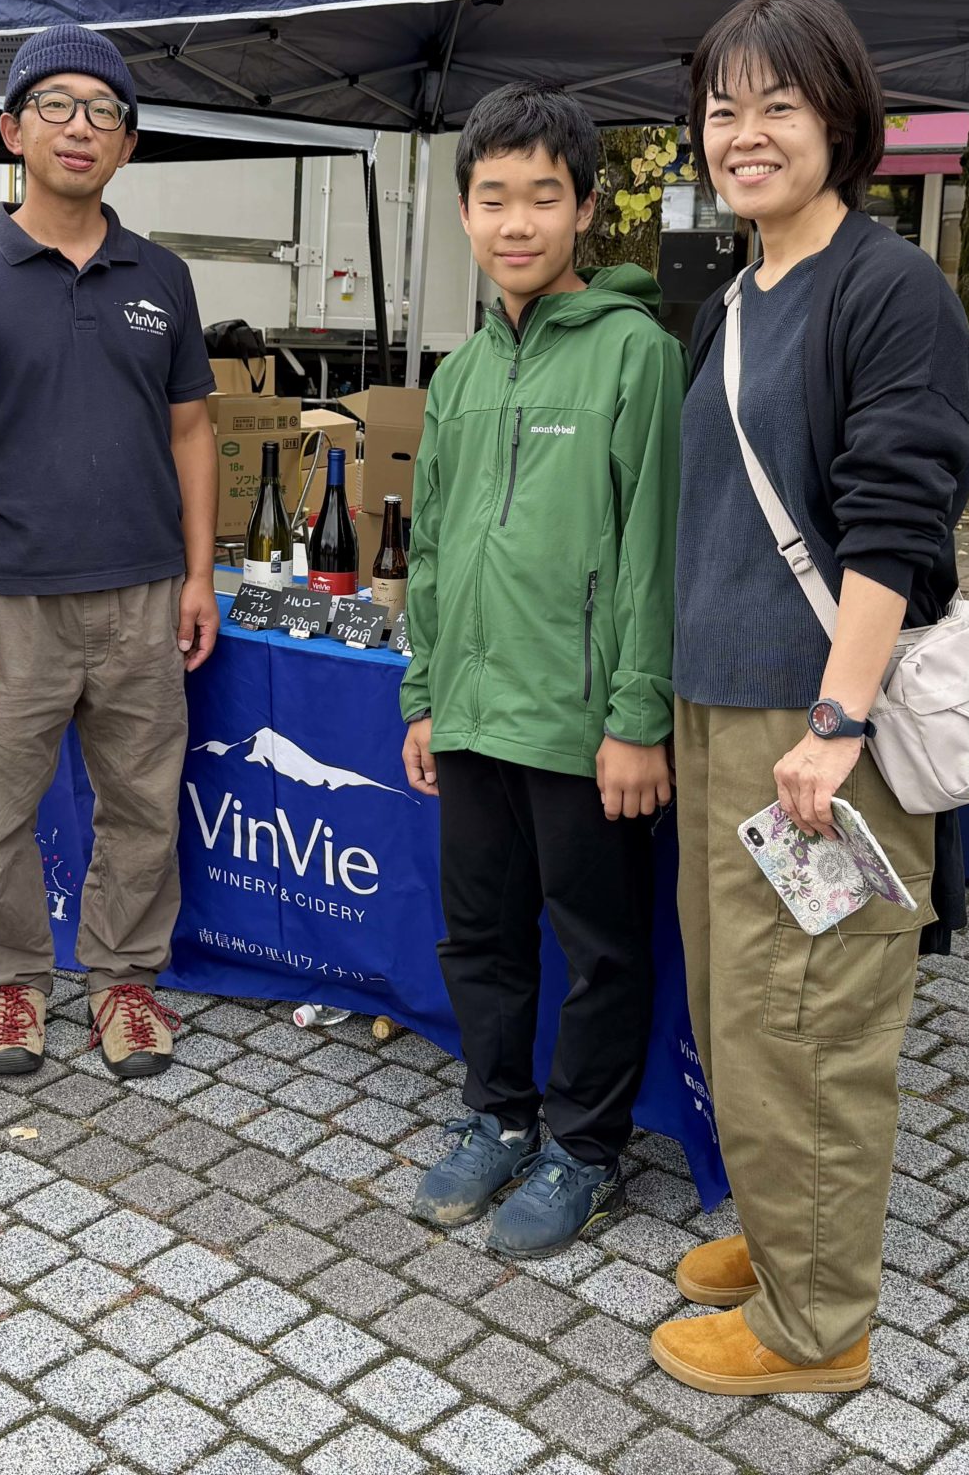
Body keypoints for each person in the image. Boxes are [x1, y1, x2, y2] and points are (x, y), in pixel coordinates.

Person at [648, 0, 969, 1397]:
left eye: (777, 106)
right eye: (723, 109)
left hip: (815, 729)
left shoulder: (885, 289)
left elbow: (898, 520)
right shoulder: (738, 297)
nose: (745, 134)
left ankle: (818, 1324)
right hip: (721, 712)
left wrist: (837, 723)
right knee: (741, 1010)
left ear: (841, 121)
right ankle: (788, 1237)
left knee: (815, 1022)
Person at [0, 25, 219, 1081]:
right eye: (56, 105)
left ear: (127, 145)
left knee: (142, 803)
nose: (80, 128)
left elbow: (192, 432)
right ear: (13, 131)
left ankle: (124, 982)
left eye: (103, 113)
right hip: (9, 600)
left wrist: (199, 575)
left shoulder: (163, 278)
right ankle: (7, 985)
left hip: (143, 595)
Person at [397, 85, 683, 1258]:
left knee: (600, 947)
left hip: (581, 724)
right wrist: (422, 694)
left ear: (584, 211)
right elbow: (428, 545)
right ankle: (499, 1116)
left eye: (542, 197)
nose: (516, 222)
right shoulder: (460, 373)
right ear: (465, 212)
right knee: (479, 936)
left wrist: (637, 717)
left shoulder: (636, 353)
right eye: (492, 198)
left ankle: (588, 1147)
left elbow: (652, 550)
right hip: (471, 712)